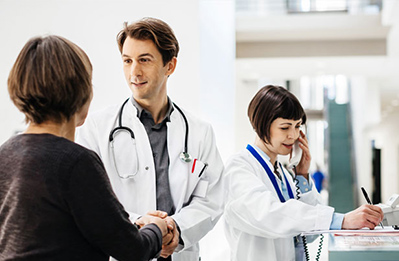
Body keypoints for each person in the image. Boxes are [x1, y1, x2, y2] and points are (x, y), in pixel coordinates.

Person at [0, 35, 171, 261]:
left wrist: (137, 224)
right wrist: (158, 228)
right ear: (81, 93)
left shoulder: (5, 154)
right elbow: (132, 249)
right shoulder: (75, 162)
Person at [76, 17, 224, 260]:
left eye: (144, 60)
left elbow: (211, 199)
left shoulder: (200, 132)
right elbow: (90, 201)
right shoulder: (96, 128)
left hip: (180, 253)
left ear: (170, 66)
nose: (134, 72)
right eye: (127, 61)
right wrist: (143, 226)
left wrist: (176, 229)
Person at [223, 85, 384, 261]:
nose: (293, 135)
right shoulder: (239, 167)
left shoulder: (284, 174)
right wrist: (341, 220)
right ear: (260, 126)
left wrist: (302, 176)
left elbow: (309, 234)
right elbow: (268, 215)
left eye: (298, 126)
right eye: (285, 128)